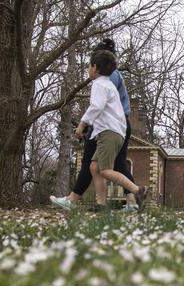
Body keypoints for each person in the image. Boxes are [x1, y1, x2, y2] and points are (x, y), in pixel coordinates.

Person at [50, 38, 138, 211]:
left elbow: (99, 105)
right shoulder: (113, 73)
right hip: (119, 125)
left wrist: (84, 124)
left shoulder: (106, 78)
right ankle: (126, 202)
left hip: (108, 126)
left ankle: (75, 200)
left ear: (98, 65)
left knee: (95, 165)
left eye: (91, 63)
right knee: (106, 165)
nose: (90, 67)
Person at [77, 49, 148, 210]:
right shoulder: (109, 85)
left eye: (89, 66)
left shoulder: (99, 84)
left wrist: (82, 124)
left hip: (108, 133)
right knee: (94, 167)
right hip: (116, 132)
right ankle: (101, 204)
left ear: (94, 67)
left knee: (106, 170)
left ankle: (138, 190)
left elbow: (96, 106)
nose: (88, 70)